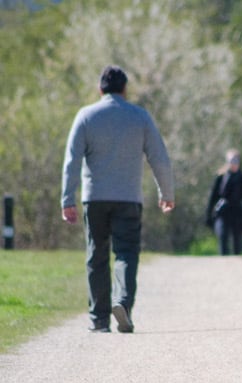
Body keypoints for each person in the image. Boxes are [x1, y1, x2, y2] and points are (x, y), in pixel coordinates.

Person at [61, 65, 175, 333]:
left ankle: (99, 319)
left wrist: (68, 199)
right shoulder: (140, 117)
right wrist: (166, 193)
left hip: (95, 198)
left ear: (100, 89)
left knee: (96, 255)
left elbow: (72, 160)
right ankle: (122, 303)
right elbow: (159, 157)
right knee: (126, 253)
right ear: (125, 90)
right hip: (128, 199)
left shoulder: (86, 116)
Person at [206, 149, 242, 255]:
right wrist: (208, 215)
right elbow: (212, 198)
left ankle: (236, 266)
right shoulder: (220, 178)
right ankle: (224, 264)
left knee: (237, 242)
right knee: (222, 236)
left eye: (235, 161)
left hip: (238, 213)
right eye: (231, 161)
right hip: (223, 212)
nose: (233, 163)